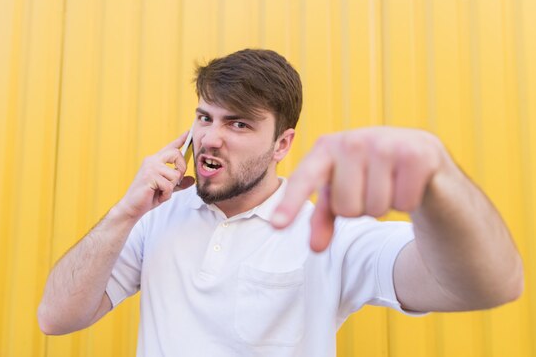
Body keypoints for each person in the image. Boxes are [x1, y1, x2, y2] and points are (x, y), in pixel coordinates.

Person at [37, 49, 523, 357]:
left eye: (239, 124)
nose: (210, 138)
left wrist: (438, 179)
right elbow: (56, 319)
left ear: (283, 144)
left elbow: (493, 285)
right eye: (205, 117)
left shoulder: (329, 234)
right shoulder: (154, 218)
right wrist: (126, 211)